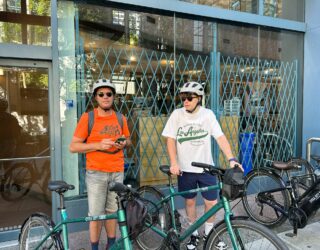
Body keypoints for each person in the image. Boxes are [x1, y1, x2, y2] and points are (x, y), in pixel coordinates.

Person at [162, 81, 242, 250]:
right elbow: (170, 139)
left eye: (189, 98)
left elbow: (220, 137)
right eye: (183, 98)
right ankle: (193, 234)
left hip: (206, 168)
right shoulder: (177, 114)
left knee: (211, 203)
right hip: (185, 169)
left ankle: (209, 233)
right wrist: (174, 162)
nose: (186, 101)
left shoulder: (208, 115)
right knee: (190, 203)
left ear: (199, 98)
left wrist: (231, 158)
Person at [69, 79, 131, 250]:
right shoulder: (88, 118)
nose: (105, 97)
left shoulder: (120, 118)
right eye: (101, 94)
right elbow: (73, 146)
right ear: (96, 97)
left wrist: (124, 143)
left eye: (109, 94)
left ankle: (111, 246)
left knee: (112, 213)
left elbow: (128, 139)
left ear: (113, 97)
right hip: (96, 173)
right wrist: (97, 145)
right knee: (96, 215)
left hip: (117, 171)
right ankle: (94, 247)